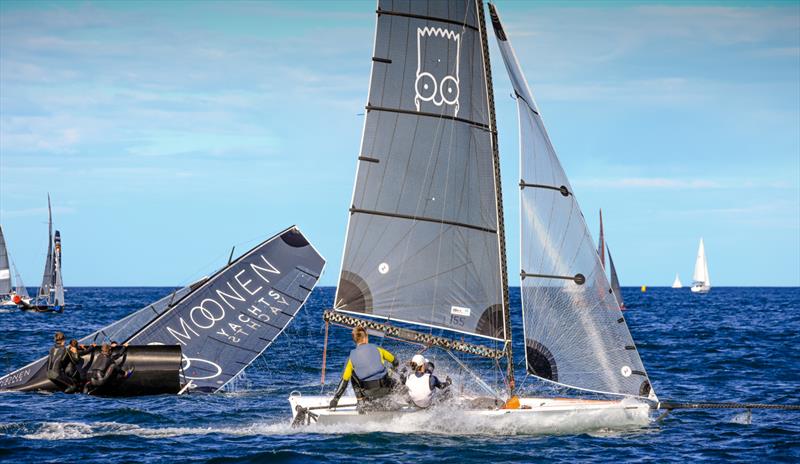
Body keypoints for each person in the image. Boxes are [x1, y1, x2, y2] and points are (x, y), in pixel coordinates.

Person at [330, 326, 399, 409]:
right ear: (366, 338)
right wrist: (393, 370)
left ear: (355, 340)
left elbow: (344, 382)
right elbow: (395, 361)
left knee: (352, 375)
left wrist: (335, 399)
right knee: (389, 371)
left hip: (369, 392)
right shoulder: (378, 349)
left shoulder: (351, 358)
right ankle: (406, 397)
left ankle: (361, 403)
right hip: (386, 388)